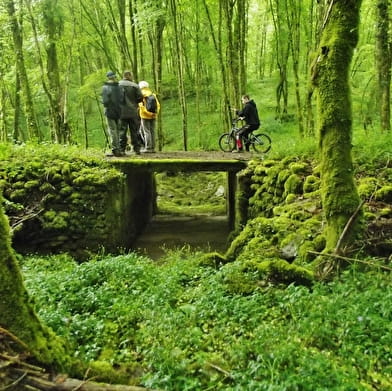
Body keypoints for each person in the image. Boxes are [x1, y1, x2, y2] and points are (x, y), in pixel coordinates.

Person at [119, 71, 143, 155]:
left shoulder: (118, 85)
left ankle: (122, 149)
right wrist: (134, 102)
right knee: (134, 130)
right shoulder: (135, 86)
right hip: (133, 111)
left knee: (122, 130)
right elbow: (140, 98)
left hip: (121, 112)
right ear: (129, 76)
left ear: (124, 76)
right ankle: (137, 149)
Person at [102, 71, 122, 156]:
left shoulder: (105, 87)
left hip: (110, 111)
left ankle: (115, 150)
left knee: (112, 130)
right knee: (117, 130)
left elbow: (105, 101)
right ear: (114, 77)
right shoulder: (119, 87)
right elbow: (123, 99)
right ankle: (119, 149)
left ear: (108, 77)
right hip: (119, 110)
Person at [138, 80, 160, 153]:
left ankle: (148, 148)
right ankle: (153, 147)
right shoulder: (152, 94)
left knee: (146, 131)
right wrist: (154, 114)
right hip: (153, 115)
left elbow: (141, 106)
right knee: (152, 131)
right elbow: (158, 105)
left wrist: (146, 113)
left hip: (144, 116)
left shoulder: (141, 95)